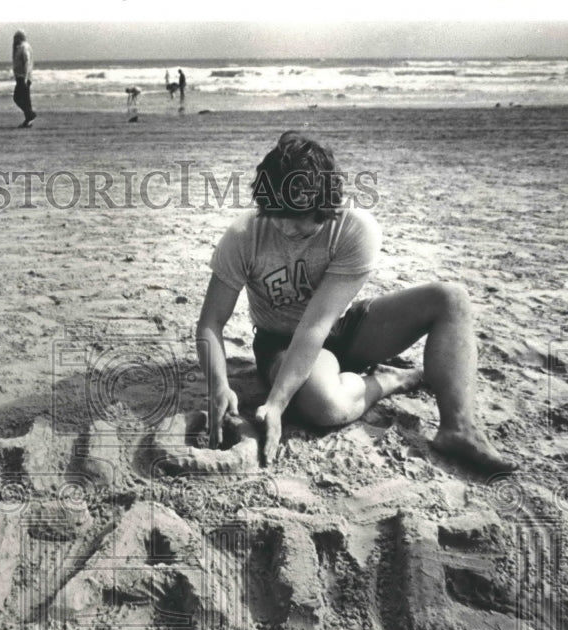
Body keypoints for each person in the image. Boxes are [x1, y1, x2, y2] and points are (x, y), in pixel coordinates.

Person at [195, 131, 516, 474]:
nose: (286, 228)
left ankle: (459, 427)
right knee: (326, 406)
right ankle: (391, 381)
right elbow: (210, 323)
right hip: (282, 341)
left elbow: (319, 323)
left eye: (299, 222)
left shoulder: (355, 228)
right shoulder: (244, 235)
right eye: (277, 215)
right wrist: (220, 385)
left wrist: (276, 403)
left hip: (343, 326)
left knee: (450, 298)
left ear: (325, 208)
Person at [12, 30, 36, 128]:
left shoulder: (23, 47)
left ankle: (30, 114)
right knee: (26, 100)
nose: (14, 41)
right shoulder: (24, 47)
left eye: (15, 38)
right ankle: (28, 121)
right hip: (24, 76)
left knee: (17, 98)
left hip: (23, 77)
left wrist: (25, 77)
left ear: (19, 38)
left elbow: (26, 62)